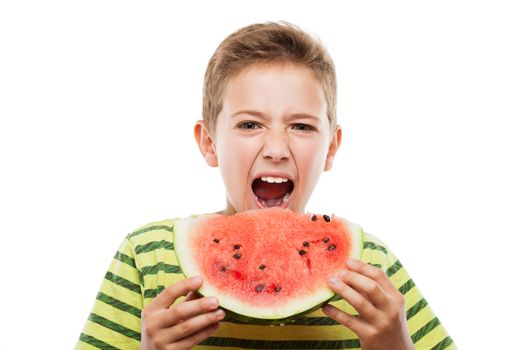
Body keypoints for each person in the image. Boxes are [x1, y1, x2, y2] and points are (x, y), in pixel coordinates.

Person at [76, 21, 455, 350]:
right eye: (250, 125)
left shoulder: (371, 268)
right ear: (209, 143)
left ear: (331, 148)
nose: (276, 149)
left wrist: (395, 347)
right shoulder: (147, 255)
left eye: (302, 126)